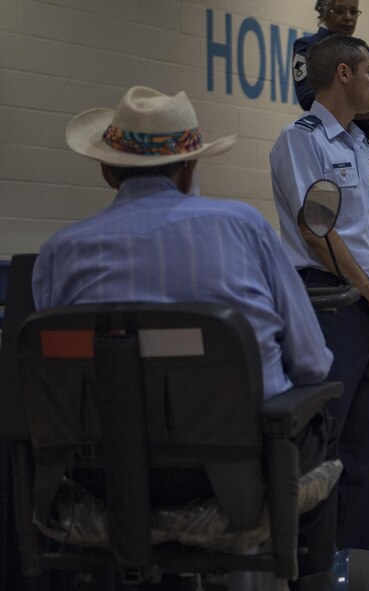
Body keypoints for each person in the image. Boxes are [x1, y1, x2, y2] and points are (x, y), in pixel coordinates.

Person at [31, 85, 337, 585]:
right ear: (191, 169)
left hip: (100, 482)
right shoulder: (243, 227)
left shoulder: (59, 253)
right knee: (320, 414)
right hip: (233, 479)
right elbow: (311, 363)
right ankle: (313, 579)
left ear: (108, 171)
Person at [271, 34, 369, 553]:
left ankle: (362, 569)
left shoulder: (365, 147)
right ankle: (319, 573)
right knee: (324, 452)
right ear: (344, 74)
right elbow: (315, 232)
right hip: (327, 304)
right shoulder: (301, 139)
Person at [292, 0, 369, 187]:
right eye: (340, 11)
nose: (348, 17)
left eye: (354, 12)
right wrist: (352, 93)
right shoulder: (308, 46)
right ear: (324, 11)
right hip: (333, 142)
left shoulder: (365, 50)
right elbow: (306, 97)